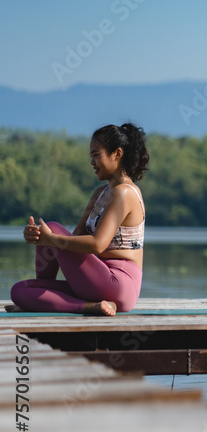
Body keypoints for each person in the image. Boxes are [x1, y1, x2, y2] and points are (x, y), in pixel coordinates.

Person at [7, 123, 149, 316]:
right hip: (96, 282)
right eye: (91, 156)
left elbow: (97, 245)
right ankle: (87, 305)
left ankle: (88, 304)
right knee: (20, 291)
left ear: (117, 154)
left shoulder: (124, 193)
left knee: (54, 228)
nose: (92, 162)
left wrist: (51, 238)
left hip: (119, 283)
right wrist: (40, 237)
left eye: (96, 154)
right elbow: (74, 241)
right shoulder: (101, 193)